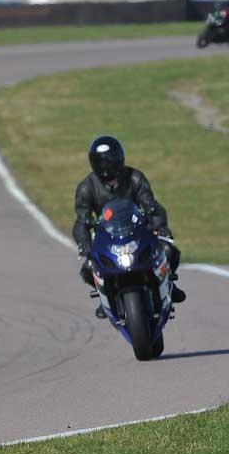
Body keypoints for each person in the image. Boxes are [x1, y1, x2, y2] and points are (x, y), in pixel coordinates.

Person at [73, 136, 186, 319]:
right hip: (107, 237)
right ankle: (105, 298)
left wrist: (160, 228)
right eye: (102, 162)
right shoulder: (86, 188)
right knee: (88, 267)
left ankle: (170, 286)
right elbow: (81, 221)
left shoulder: (134, 178)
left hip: (139, 231)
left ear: (120, 158)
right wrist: (84, 244)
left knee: (168, 249)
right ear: (94, 163)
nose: (107, 166)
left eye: (110, 161)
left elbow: (152, 206)